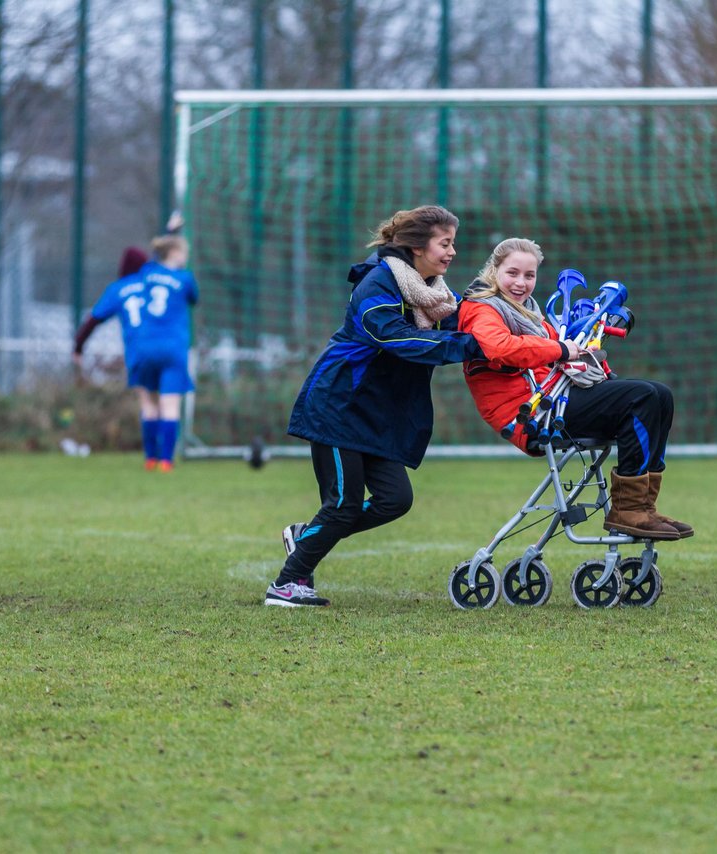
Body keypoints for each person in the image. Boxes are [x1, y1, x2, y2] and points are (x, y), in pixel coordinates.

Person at [267, 205, 484, 608]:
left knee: (395, 500)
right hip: (339, 407)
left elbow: (458, 326)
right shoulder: (376, 283)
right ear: (418, 246)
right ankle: (287, 584)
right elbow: (396, 338)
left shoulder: (434, 293)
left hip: (377, 415)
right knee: (344, 504)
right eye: (445, 243)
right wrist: (473, 346)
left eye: (454, 243)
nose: (452, 252)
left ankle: (305, 537)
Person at [457, 237, 692, 540]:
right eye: (512, 273)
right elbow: (502, 348)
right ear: (494, 269)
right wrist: (559, 348)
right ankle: (628, 510)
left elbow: (558, 353)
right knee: (642, 397)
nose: (521, 282)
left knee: (661, 395)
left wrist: (580, 358)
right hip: (530, 416)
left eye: (529, 275)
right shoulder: (481, 309)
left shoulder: (529, 312)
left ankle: (644, 506)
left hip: (558, 400)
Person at [74, 234, 199, 472]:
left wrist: (78, 346)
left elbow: (94, 319)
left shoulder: (120, 288)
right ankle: (166, 461)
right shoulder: (164, 279)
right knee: (170, 405)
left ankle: (150, 458)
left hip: (140, 351)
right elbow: (190, 295)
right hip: (173, 348)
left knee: (149, 405)